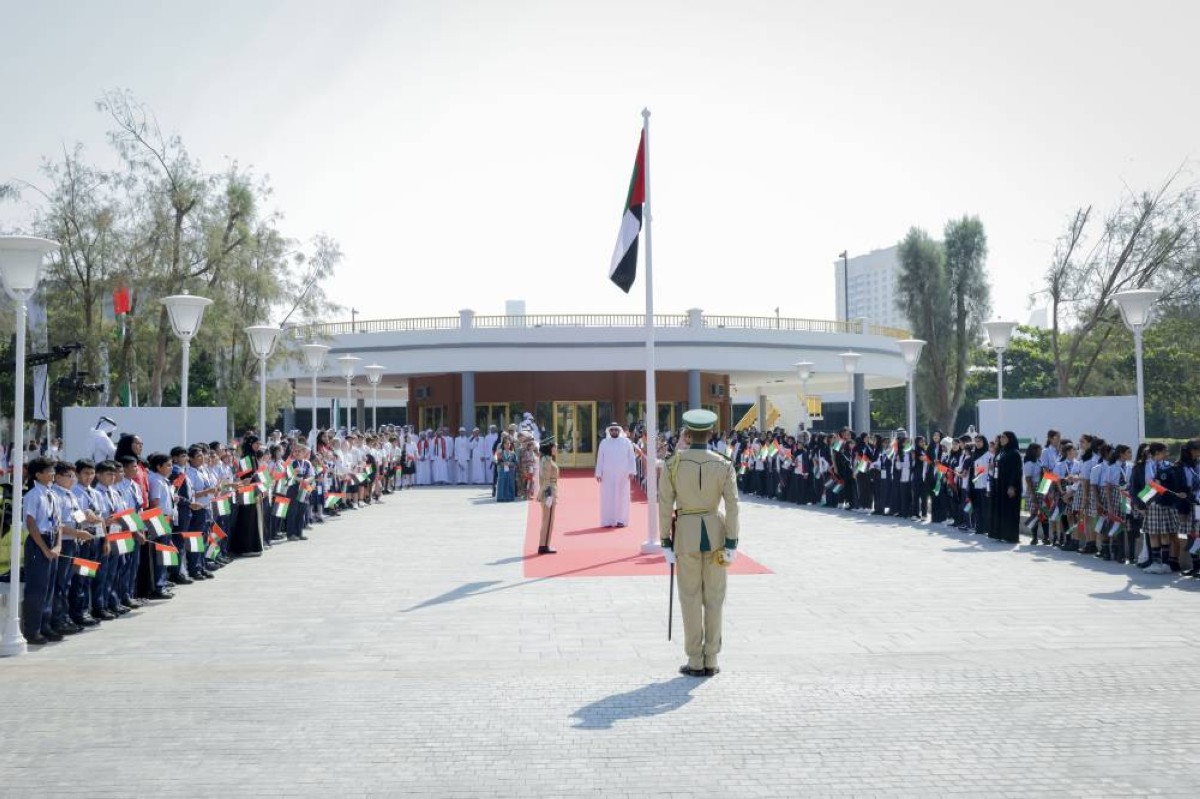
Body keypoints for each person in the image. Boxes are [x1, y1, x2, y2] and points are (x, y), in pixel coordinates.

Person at [658, 409, 739, 678]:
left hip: (686, 535)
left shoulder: (673, 463)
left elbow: (665, 504)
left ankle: (695, 659)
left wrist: (664, 540)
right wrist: (731, 540)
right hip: (716, 535)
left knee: (690, 598)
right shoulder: (724, 463)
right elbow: (733, 505)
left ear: (688, 434)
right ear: (711, 433)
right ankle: (711, 658)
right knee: (714, 597)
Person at [595, 422, 637, 528]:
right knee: (607, 498)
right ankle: (608, 520)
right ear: (609, 431)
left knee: (622, 497)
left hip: (623, 475)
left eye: (615, 430)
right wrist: (598, 473)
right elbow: (600, 459)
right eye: (612, 430)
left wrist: (632, 471)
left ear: (619, 430)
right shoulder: (604, 443)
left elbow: (631, 457)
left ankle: (621, 520)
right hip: (607, 476)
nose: (614, 432)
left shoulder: (626, 442)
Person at [992, 431, 1023, 543]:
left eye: (1004, 437)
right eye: (1001, 438)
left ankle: (1012, 536)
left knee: (1011, 511)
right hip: (1001, 485)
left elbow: (1016, 472)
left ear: (1010, 439)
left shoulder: (1015, 453)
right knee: (1003, 510)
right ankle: (1003, 534)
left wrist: (1011, 486)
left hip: (1010, 487)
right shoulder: (1003, 452)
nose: (1001, 439)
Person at [536, 439, 559, 554]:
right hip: (549, 492)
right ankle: (544, 545)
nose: (556, 449)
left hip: (548, 490)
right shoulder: (547, 461)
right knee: (548, 520)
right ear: (550, 449)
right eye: (555, 447)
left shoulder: (545, 460)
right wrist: (544, 494)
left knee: (546, 519)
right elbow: (546, 480)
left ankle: (544, 544)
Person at [495, 435, 518, 502]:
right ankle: (501, 497)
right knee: (502, 483)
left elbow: (516, 462)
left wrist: (510, 464)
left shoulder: (513, 453)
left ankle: (510, 497)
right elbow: (497, 462)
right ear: (503, 444)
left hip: (510, 471)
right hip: (502, 470)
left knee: (510, 483)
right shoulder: (500, 453)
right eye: (506, 443)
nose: (508, 445)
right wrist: (503, 464)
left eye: (509, 443)